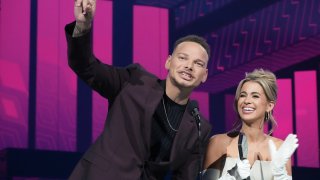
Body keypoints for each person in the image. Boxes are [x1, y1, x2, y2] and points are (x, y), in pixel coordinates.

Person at [66, 0, 212, 179]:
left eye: (198, 63)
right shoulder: (135, 80)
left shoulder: (199, 127)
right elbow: (86, 67)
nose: (189, 66)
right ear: (168, 62)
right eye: (183, 58)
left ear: (204, 75)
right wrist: (83, 26)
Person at [202, 69, 299, 180]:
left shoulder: (279, 148)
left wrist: (280, 174)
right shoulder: (218, 143)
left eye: (255, 96)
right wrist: (233, 176)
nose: (246, 100)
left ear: (269, 106)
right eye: (243, 95)